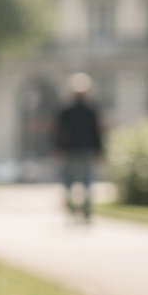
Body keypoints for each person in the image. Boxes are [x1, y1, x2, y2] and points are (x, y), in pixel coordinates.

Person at [55, 72, 104, 221]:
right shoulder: (91, 110)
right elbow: (96, 132)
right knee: (87, 178)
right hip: (86, 148)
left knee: (69, 178)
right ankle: (86, 207)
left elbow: (61, 132)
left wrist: (59, 148)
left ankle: (71, 205)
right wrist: (99, 150)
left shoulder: (67, 110)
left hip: (71, 148)